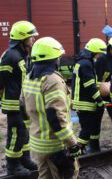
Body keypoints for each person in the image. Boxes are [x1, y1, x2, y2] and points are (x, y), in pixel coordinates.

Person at [20, 37, 81, 179]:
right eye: (58, 57)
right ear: (54, 59)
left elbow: (22, 107)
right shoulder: (52, 81)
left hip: (38, 144)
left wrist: (32, 130)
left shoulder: (29, 78)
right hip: (55, 146)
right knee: (69, 174)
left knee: (44, 176)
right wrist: (72, 144)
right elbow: (56, 118)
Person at [0, 21, 38, 176]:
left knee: (24, 133)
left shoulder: (22, 54)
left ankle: (24, 159)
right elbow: (1, 80)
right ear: (22, 38)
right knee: (16, 133)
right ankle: (12, 165)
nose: (34, 40)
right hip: (14, 103)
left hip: (23, 102)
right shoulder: (10, 56)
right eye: (31, 37)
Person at [72, 38, 107, 153]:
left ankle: (90, 149)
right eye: (99, 53)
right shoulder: (86, 64)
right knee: (86, 130)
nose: (100, 56)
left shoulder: (83, 61)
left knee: (90, 127)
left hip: (82, 101)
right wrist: (99, 100)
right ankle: (76, 150)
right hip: (85, 102)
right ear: (94, 51)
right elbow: (90, 85)